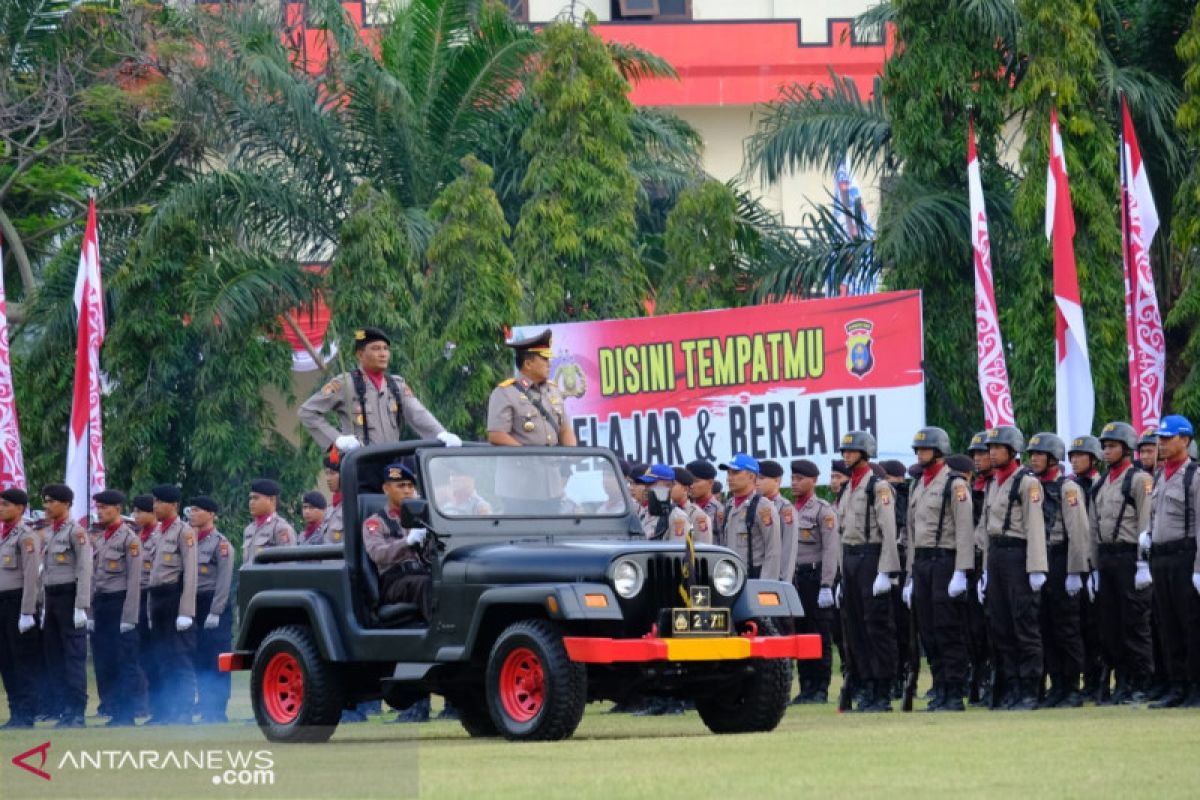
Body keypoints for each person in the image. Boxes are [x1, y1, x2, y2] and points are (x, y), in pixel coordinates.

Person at [299, 326, 460, 453]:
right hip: (361, 464)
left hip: (392, 465)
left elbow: (418, 414)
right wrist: (338, 440)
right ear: (360, 354)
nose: (383, 354)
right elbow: (307, 412)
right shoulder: (346, 384)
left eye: (385, 349)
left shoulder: (396, 385)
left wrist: (441, 434)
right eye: (376, 349)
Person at [903, 427, 974, 712]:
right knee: (928, 631)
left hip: (945, 561)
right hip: (922, 563)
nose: (920, 454)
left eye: (925, 449)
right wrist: (909, 576)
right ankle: (940, 686)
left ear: (939, 451)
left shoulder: (954, 484)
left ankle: (954, 691)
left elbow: (965, 529)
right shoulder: (918, 484)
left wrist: (962, 570)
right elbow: (911, 532)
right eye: (918, 450)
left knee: (947, 628)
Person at [977, 425, 1047, 711]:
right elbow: (984, 531)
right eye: (990, 448)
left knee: (1024, 625)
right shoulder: (994, 482)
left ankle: (1030, 689)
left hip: (1019, 556)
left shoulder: (1026, 482)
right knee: (1001, 626)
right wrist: (984, 570)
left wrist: (1037, 568)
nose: (991, 453)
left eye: (997, 448)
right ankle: (1012, 686)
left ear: (1012, 451)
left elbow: (1035, 526)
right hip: (997, 556)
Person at [835, 431, 901, 712]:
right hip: (851, 560)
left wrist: (887, 570)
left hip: (871, 557)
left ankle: (883, 689)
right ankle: (867, 685)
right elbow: (842, 533)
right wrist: (840, 576)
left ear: (865, 453)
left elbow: (888, 530)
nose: (846, 455)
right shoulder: (850, 487)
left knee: (876, 627)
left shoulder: (878, 486)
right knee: (856, 628)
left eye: (851, 451)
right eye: (844, 451)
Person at [1090, 421, 1154, 704]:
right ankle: (1123, 681)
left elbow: (1145, 522)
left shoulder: (1138, 480)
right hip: (1107, 557)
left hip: (1130, 556)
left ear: (1127, 449)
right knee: (1110, 625)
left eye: (1112, 446)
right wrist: (1092, 567)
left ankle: (1142, 681)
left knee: (1134, 623)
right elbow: (1094, 527)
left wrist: (1143, 563)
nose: (1106, 451)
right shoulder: (1101, 482)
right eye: (1104, 446)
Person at [1026, 433, 1090, 708]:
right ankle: (1056, 683)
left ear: (1053, 458)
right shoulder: (1031, 486)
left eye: (1040, 454)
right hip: (1040, 560)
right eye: (1032, 455)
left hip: (1062, 558)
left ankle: (1072, 685)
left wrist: (1076, 571)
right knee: (1044, 626)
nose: (1034, 459)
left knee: (1067, 627)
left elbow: (1079, 531)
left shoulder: (1068, 488)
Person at [1146, 415, 1200, 708]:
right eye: (1160, 438)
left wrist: (1199, 569)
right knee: (1167, 624)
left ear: (1186, 440)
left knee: (1190, 623)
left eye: (1168, 438)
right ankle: (1176, 685)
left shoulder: (1194, 475)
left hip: (1185, 557)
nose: (1162, 444)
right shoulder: (1159, 475)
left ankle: (1195, 685)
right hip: (1161, 558)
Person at [145, 484, 198, 725]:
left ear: (174, 505)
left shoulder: (183, 532)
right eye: (154, 502)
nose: (155, 506)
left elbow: (191, 574)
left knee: (179, 658)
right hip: (157, 599)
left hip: (174, 598)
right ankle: (164, 711)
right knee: (161, 657)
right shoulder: (158, 533)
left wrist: (186, 611)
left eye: (160, 502)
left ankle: (184, 710)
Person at [39, 484, 91, 728]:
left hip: (69, 597)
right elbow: (45, 571)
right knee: (55, 657)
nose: (46, 506)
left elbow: (84, 569)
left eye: (51, 501)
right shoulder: (50, 533)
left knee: (73, 656)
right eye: (45, 501)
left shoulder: (76, 532)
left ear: (66, 504)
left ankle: (77, 711)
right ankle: (64, 710)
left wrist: (81, 605)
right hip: (52, 598)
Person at [89, 490, 141, 726]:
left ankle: (127, 712)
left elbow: (134, 580)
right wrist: (90, 611)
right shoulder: (101, 539)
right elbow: (93, 578)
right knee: (106, 659)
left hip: (120, 603)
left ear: (118, 509)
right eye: (98, 507)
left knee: (124, 659)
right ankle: (114, 708)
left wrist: (129, 615)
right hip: (102, 603)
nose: (100, 511)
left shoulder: (129, 539)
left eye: (104, 507)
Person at [789, 460, 838, 704]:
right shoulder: (790, 510)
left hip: (815, 578)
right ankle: (805, 685)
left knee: (819, 633)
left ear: (813, 480)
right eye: (793, 478)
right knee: (801, 632)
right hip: (795, 579)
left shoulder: (822, 510)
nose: (794, 483)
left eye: (799, 478)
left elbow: (830, 550)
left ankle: (820, 688)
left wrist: (827, 584)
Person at [364, 462, 433, 619]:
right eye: (401, 486)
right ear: (386, 489)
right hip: (394, 580)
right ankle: (443, 635)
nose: (407, 491)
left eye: (410, 486)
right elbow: (377, 553)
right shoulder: (376, 522)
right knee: (427, 585)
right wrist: (406, 542)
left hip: (421, 572)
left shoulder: (421, 519)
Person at [487, 329, 576, 448]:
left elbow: (565, 429)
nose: (549, 364)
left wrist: (571, 456)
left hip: (553, 465)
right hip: (521, 465)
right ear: (528, 364)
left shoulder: (554, 390)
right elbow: (496, 435)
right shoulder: (505, 393)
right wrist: (528, 457)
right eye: (544, 359)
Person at [188, 496, 234, 723]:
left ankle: (217, 709)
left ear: (210, 514)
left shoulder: (220, 543)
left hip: (213, 604)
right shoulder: (189, 541)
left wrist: (216, 611)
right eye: (191, 509)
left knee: (216, 658)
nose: (192, 514)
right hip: (193, 603)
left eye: (197, 510)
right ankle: (205, 705)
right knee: (198, 658)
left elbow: (224, 581)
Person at [1068, 434, 1106, 701]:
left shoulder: (1099, 485)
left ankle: (1099, 679)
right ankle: (1084, 678)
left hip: (1096, 561)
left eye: (1080, 455)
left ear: (1093, 459)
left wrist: (1094, 567)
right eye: (1072, 456)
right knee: (1077, 625)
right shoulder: (1069, 486)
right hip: (1074, 562)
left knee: (1096, 627)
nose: (1074, 460)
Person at [0, 488, 41, 728]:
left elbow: (31, 577)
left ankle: (27, 713)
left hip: (17, 603)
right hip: (2, 603)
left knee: (21, 660)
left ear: (20, 509)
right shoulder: (4, 535)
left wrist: (27, 611)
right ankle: (16, 711)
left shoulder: (26, 536)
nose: (1, 508)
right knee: (6, 660)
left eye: (5, 504)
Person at [719, 454, 781, 582]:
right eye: (729, 473)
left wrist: (766, 586)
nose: (730, 477)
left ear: (751, 476)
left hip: (754, 579)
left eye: (735, 472)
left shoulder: (763, 506)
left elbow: (773, 551)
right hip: (731, 580)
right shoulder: (729, 506)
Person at [131, 494, 157, 719]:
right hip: (137, 597)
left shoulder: (161, 536)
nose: (135, 516)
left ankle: (156, 704)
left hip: (154, 596)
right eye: (135, 511)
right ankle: (142, 703)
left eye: (140, 511)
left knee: (155, 653)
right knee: (138, 653)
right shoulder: (137, 537)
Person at [241, 480, 297, 565]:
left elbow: (288, 565)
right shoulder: (249, 530)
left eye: (256, 498)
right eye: (250, 498)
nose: (251, 502)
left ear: (272, 500)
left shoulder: (281, 528)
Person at [757, 461, 794, 581]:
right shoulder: (755, 506)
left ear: (777, 481)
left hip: (776, 576)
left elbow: (789, 548)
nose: (757, 482)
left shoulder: (785, 508)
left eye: (762, 478)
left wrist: (784, 581)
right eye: (756, 478)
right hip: (757, 572)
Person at [667, 467, 711, 545]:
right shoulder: (667, 511)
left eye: (673, 484)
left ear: (685, 489)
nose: (669, 488)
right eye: (667, 484)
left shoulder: (698, 515)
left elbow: (704, 547)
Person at [686, 460, 724, 546]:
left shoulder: (718, 510)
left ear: (710, 483)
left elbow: (724, 542)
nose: (691, 486)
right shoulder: (686, 508)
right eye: (689, 481)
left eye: (696, 481)